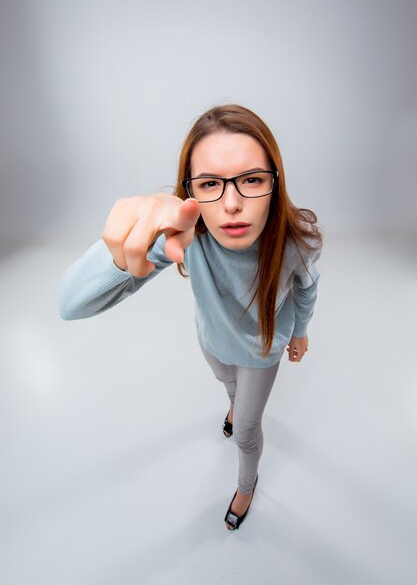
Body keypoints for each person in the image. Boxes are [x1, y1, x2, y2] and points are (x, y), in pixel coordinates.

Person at [59, 103, 323, 531]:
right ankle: (235, 404)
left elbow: (308, 288)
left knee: (245, 432)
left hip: (262, 350)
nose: (232, 204)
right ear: (191, 191)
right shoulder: (187, 237)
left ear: (274, 183)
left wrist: (302, 332)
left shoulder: (298, 240)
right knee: (227, 383)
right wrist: (126, 250)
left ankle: (246, 484)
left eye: (252, 180)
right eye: (210, 184)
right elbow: (70, 304)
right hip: (213, 341)